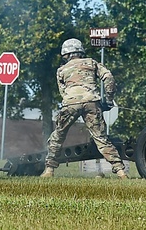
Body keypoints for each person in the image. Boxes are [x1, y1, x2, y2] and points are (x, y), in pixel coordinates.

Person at [41, 38, 128, 179]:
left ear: (65, 54)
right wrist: (109, 99)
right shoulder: (92, 63)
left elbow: (63, 92)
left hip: (70, 103)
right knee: (101, 138)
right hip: (92, 103)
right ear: (80, 51)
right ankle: (120, 171)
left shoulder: (61, 70)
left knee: (58, 136)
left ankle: (49, 170)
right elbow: (108, 77)